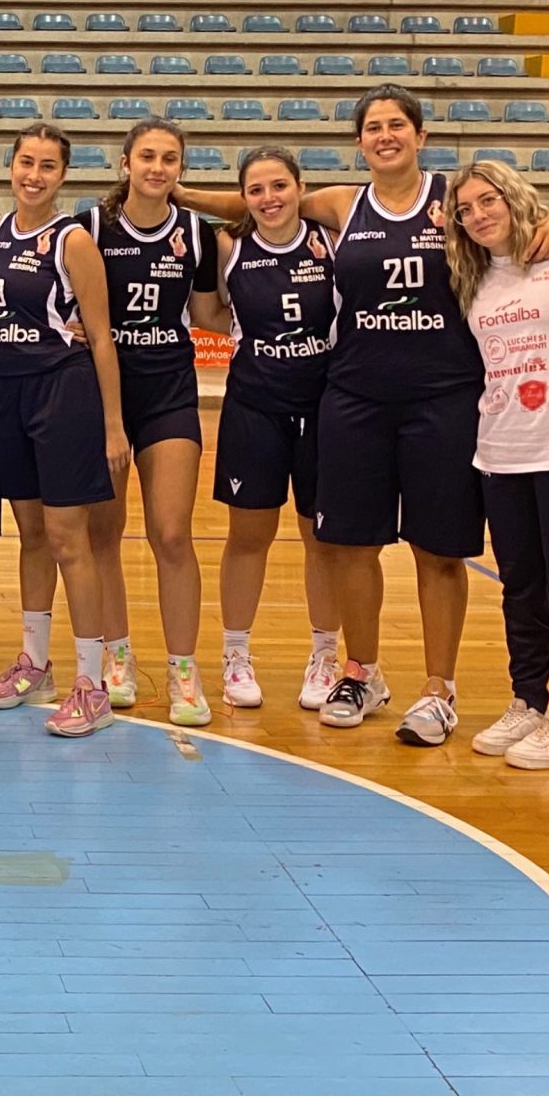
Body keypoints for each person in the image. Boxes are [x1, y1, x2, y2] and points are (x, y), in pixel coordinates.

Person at [183, 85, 549, 746]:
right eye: (373, 127)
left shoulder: (454, 198)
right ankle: (362, 672)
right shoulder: (342, 203)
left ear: (420, 135)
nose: (385, 135)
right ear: (359, 142)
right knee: (351, 545)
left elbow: (516, 218)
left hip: (443, 398)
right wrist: (177, 193)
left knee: (437, 551)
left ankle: (439, 690)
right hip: (355, 398)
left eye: (397, 125)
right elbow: (259, 205)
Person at [445, 161, 549, 773]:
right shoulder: (472, 276)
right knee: (521, 590)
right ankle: (528, 700)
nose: (479, 215)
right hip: (501, 452)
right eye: (466, 209)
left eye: (489, 200)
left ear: (515, 197)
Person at [0, 124, 129, 736]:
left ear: (63, 175)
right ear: (10, 166)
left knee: (68, 539)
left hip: (62, 393)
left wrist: (113, 425)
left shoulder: (73, 240)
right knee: (32, 535)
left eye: (47, 166)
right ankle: (35, 664)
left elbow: (102, 338)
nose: (34, 175)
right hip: (6, 393)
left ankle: (93, 684)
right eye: (26, 163)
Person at [80, 119, 225, 725]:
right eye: (147, 156)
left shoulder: (195, 232)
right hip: (102, 398)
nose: (157, 167)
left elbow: (211, 314)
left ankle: (184, 669)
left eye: (169, 158)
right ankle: (116, 655)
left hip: (169, 394)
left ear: (180, 169)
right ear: (125, 163)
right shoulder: (91, 227)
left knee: (171, 534)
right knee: (102, 534)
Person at [208, 146, 340, 716]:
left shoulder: (330, 238)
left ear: (300, 187)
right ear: (243, 197)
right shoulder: (228, 246)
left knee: (322, 539)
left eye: (279, 185)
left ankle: (326, 655)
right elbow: (209, 314)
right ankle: (235, 654)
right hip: (254, 406)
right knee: (248, 536)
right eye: (256, 189)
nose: (269, 198)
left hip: (324, 408)